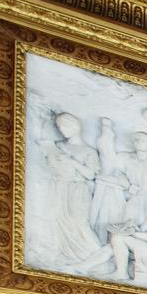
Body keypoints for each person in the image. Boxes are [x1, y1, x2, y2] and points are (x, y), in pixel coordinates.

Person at [41, 112, 105, 264]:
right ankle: (64, 254)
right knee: (58, 219)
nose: (62, 129)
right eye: (59, 126)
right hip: (59, 187)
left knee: (79, 222)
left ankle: (96, 254)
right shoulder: (58, 146)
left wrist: (71, 162)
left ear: (76, 126)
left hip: (78, 190)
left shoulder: (88, 151)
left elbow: (90, 174)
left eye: (65, 125)